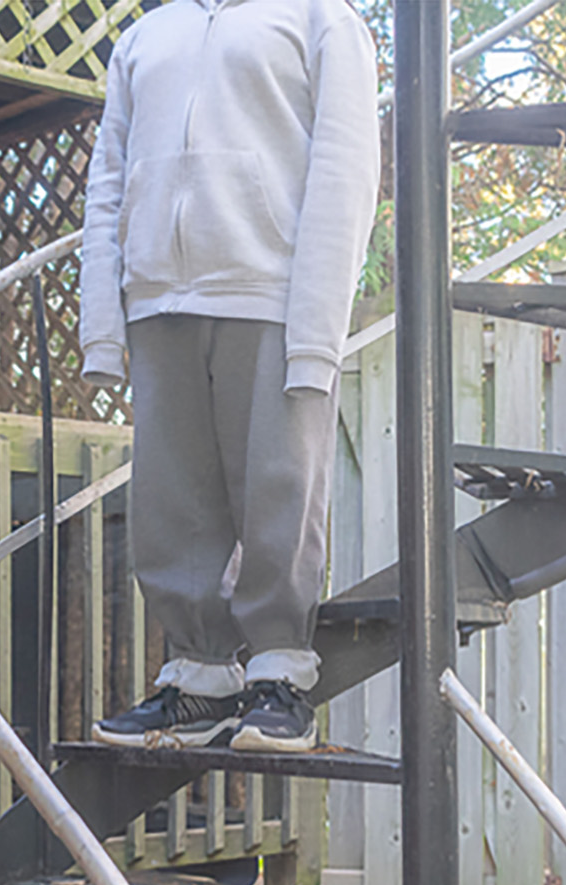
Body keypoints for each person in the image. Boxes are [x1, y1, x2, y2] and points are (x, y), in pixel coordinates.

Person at [79, 0, 381, 753]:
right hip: (158, 296)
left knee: (281, 484)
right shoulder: (145, 38)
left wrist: (319, 319)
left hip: (271, 290)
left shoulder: (319, 20)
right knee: (170, 499)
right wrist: (102, 325)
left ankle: (279, 675)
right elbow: (107, 182)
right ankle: (196, 676)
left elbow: (346, 167)